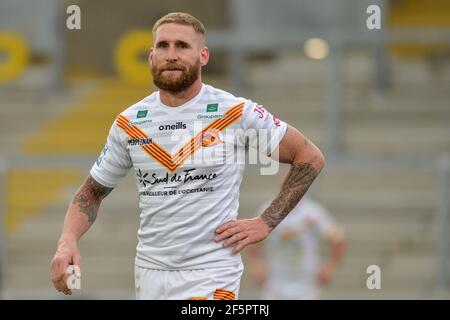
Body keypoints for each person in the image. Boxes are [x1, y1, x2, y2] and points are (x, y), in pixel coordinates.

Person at [50, 12, 325, 300]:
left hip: (212, 270)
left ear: (203, 55)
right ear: (151, 55)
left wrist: (266, 221)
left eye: (182, 46)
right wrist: (67, 241)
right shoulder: (129, 123)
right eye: (163, 46)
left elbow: (309, 156)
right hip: (150, 271)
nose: (171, 54)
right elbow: (91, 193)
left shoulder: (234, 112)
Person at [247, 174, 346, 299]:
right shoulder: (266, 211)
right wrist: (256, 265)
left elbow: (338, 239)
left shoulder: (313, 212)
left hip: (307, 284)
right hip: (275, 283)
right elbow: (253, 241)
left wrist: (330, 266)